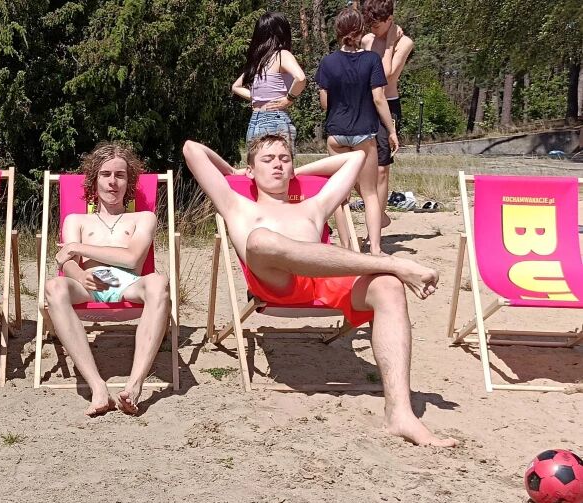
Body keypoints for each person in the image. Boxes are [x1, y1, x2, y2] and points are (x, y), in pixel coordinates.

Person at [183, 134, 456, 447]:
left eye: (284, 160)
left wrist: (299, 171)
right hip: (276, 284)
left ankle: (400, 414)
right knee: (260, 239)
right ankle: (391, 263)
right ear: (252, 170)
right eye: (268, 160)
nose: (277, 165)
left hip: (321, 282)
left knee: (388, 285)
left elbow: (355, 158)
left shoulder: (313, 206)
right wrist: (233, 172)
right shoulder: (236, 205)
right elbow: (191, 149)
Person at [44, 142, 171, 416]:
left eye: (120, 175)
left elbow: (133, 259)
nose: (113, 182)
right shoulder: (76, 220)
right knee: (53, 286)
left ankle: (134, 386)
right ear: (95, 180)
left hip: (127, 284)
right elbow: (67, 263)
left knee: (159, 282)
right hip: (89, 284)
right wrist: (79, 274)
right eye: (105, 174)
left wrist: (78, 248)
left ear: (129, 182)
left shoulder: (143, 218)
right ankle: (98, 387)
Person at [315, 7, 399, 256]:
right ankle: (375, 249)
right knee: (370, 193)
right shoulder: (372, 60)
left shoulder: (328, 62)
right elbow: (379, 99)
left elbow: (324, 103)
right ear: (361, 31)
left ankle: (346, 248)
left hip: (336, 134)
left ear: (338, 32)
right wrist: (391, 130)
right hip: (363, 133)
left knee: (341, 196)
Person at [362, 0, 414, 207]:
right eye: (370, 26)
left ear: (389, 19)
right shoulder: (367, 40)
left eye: (377, 26)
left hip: (388, 105)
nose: (373, 30)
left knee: (382, 166)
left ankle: (379, 215)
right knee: (361, 162)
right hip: (365, 104)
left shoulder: (404, 43)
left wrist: (390, 44)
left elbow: (386, 75)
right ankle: (371, 208)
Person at [231, 11, 307, 146]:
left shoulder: (259, 61)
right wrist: (289, 99)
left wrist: (257, 98)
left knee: (258, 159)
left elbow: (236, 87)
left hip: (256, 119)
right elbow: (300, 78)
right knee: (279, 159)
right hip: (274, 118)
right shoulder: (282, 55)